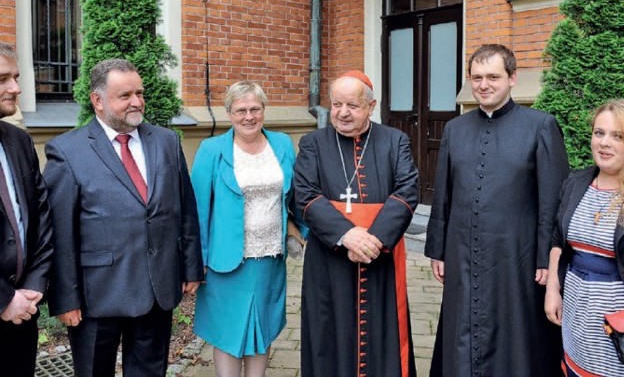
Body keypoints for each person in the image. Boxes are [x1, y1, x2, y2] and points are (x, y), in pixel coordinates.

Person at [43, 59, 203, 376]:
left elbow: (184, 209)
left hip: (157, 288)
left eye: (140, 93)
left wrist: (191, 266)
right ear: (97, 101)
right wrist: (64, 298)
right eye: (125, 95)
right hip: (96, 296)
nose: (137, 102)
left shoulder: (166, 142)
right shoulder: (67, 151)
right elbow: (61, 232)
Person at [425, 43, 570, 376]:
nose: (483, 85)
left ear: (512, 78)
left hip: (516, 256)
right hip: (462, 251)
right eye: (476, 77)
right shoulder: (455, 129)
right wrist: (438, 250)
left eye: (493, 76)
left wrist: (545, 258)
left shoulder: (541, 125)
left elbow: (553, 201)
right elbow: (443, 194)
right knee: (461, 330)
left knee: (516, 336)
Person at [294, 70, 419, 377]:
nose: (342, 112)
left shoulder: (394, 141)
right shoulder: (313, 143)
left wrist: (373, 240)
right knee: (328, 329)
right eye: (336, 104)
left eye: (352, 105)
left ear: (371, 106)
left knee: (384, 330)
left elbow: (407, 191)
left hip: (381, 256)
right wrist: (347, 235)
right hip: (330, 256)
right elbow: (305, 195)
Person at [191, 81, 306, 377]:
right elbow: (198, 211)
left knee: (262, 330)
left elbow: (295, 196)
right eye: (241, 110)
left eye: (255, 109)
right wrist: (195, 263)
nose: (249, 116)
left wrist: (300, 232)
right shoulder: (212, 149)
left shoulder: (281, 144)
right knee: (228, 334)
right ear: (229, 113)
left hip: (269, 257)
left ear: (264, 110)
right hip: (225, 262)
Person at [545, 99, 624, 377]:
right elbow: (558, 239)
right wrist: (553, 290)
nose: (605, 143)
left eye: (618, 136)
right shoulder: (576, 182)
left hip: (616, 328)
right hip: (576, 316)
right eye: (599, 133)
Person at [0, 43, 53, 376]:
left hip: (23, 313)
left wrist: (34, 284)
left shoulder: (19, 141)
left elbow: (41, 217)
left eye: (16, 78)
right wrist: (4, 299)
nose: (16, 88)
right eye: (3, 79)